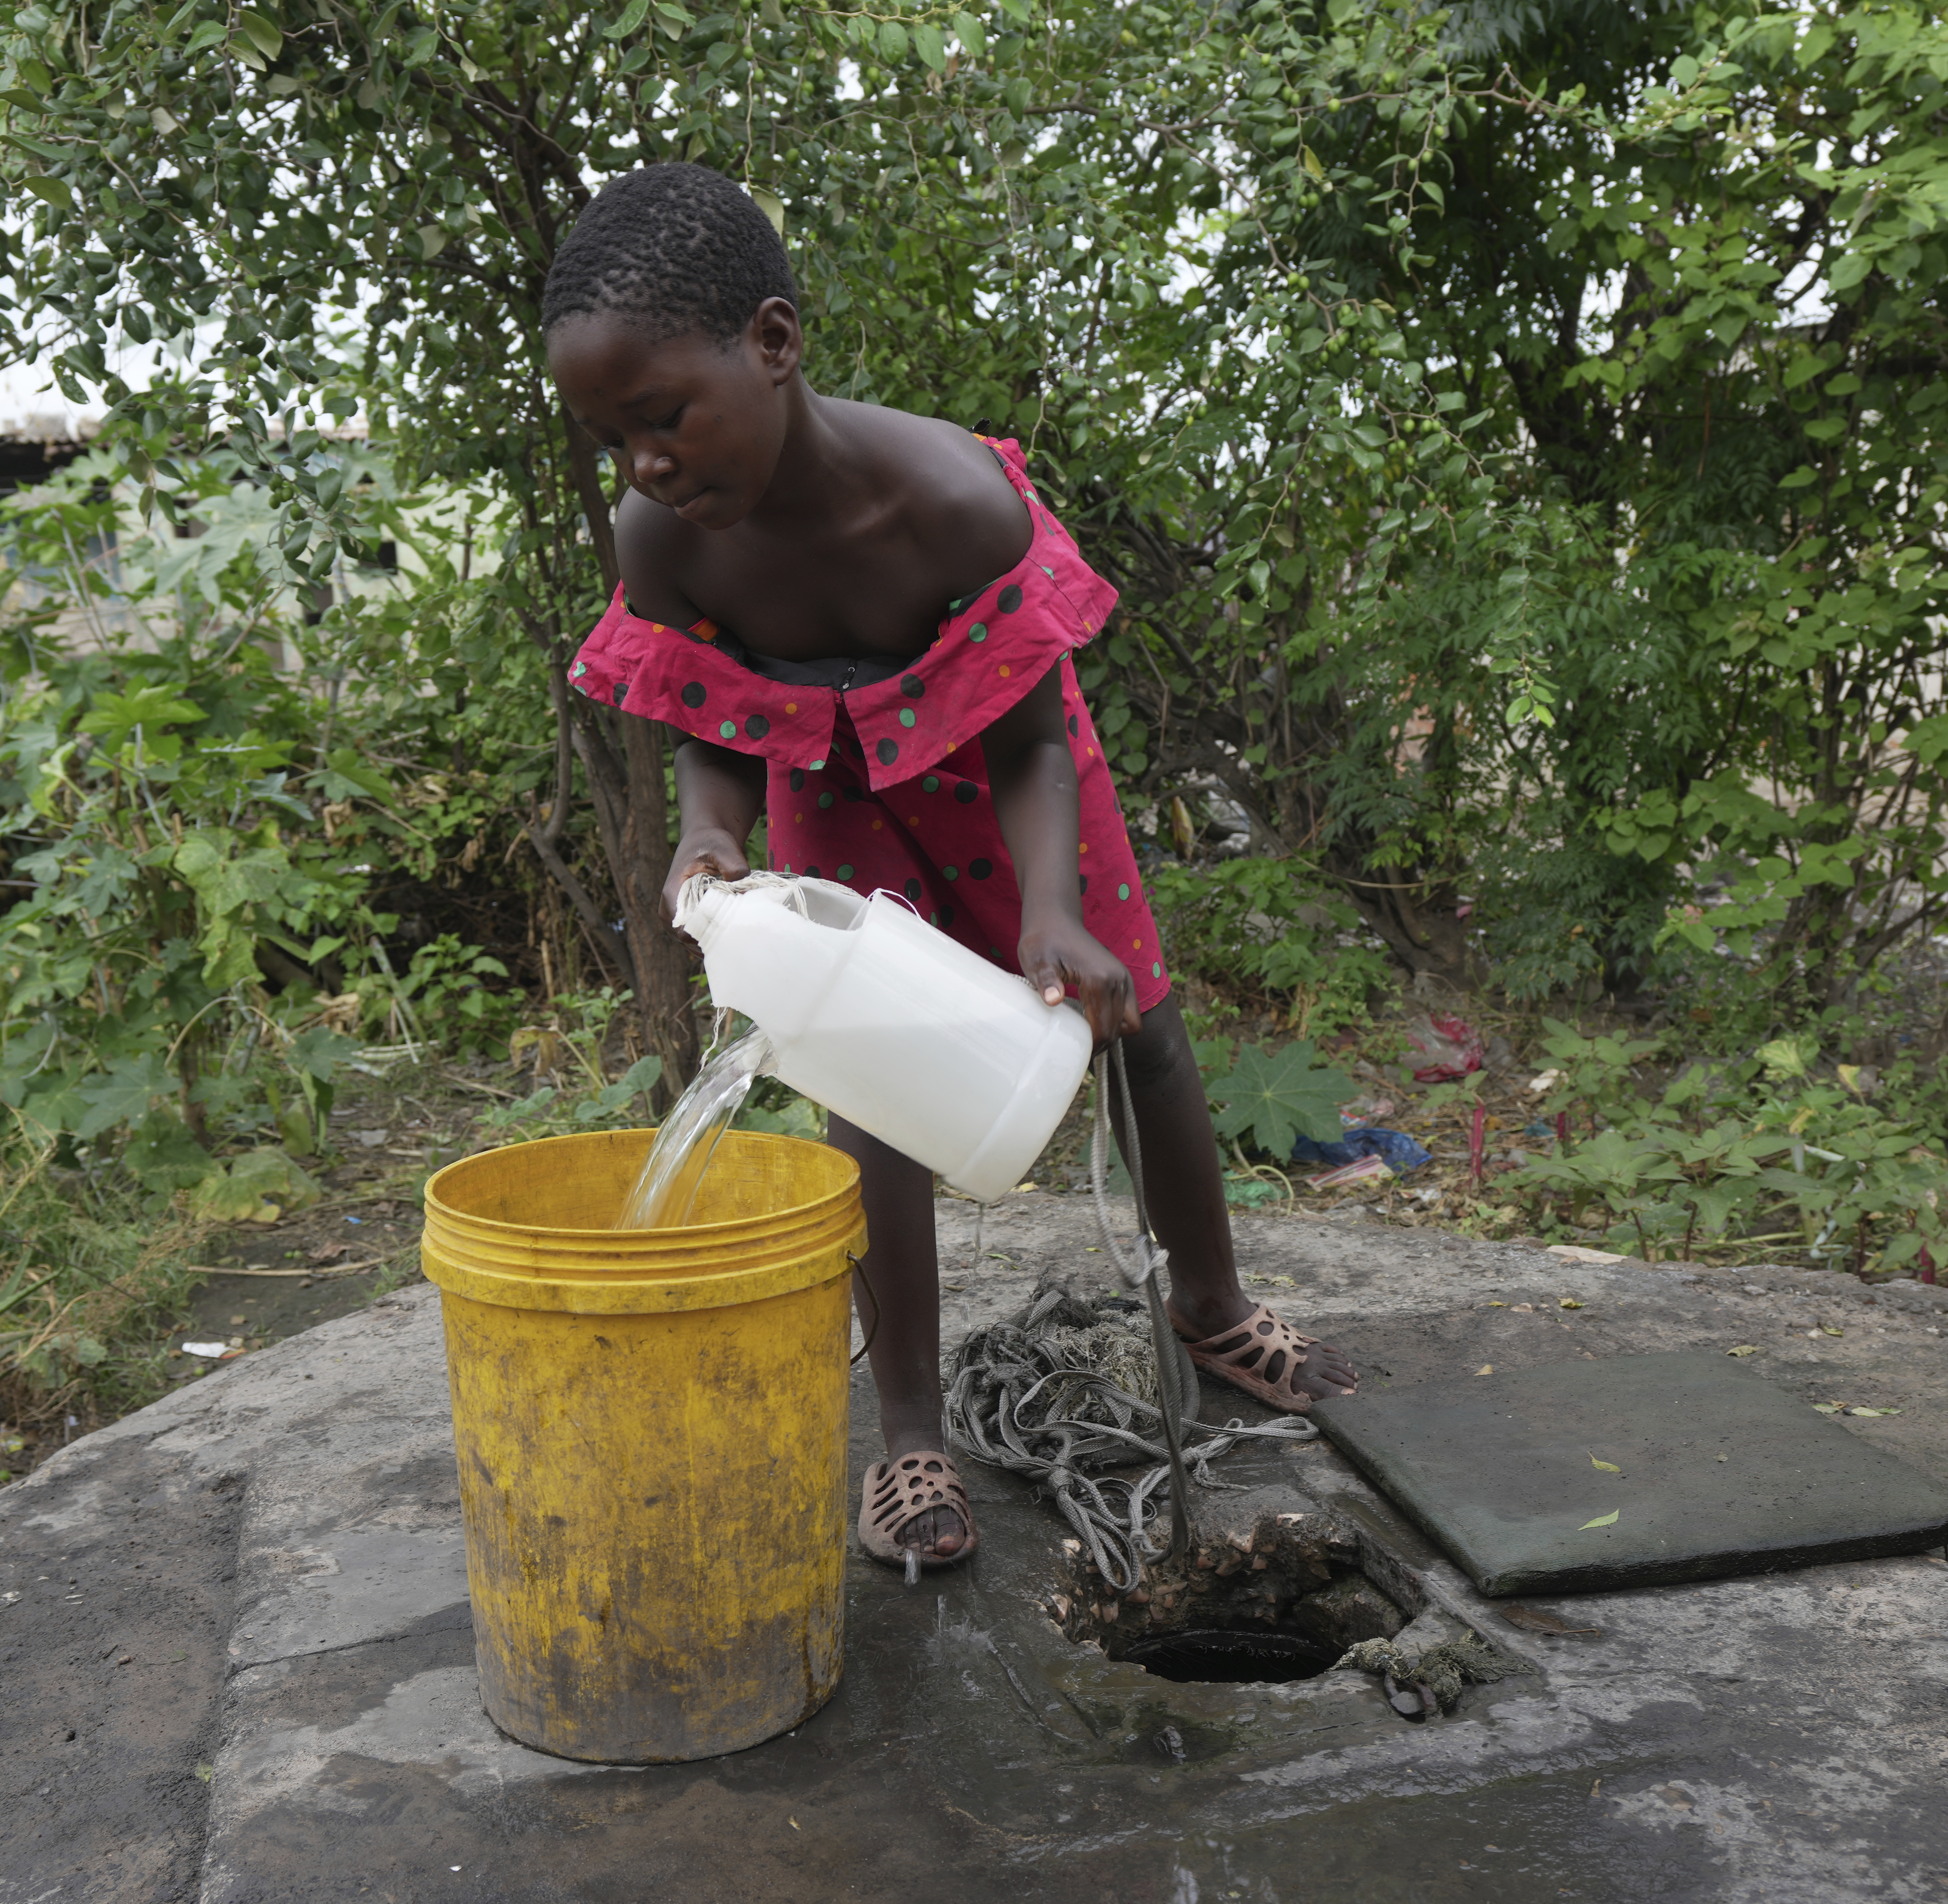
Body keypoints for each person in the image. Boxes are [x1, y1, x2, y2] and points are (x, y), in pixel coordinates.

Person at [544, 162, 1355, 1572]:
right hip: (833, 781)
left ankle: (1210, 1305)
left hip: (1010, 774)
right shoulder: (663, 540)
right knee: (878, 1093)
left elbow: (1040, 740)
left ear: (775, 345)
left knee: (1140, 1034)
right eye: (613, 440)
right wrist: (708, 829)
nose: (647, 467)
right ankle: (913, 1432)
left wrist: (1050, 916)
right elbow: (709, 719)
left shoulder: (952, 502)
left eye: (663, 418)